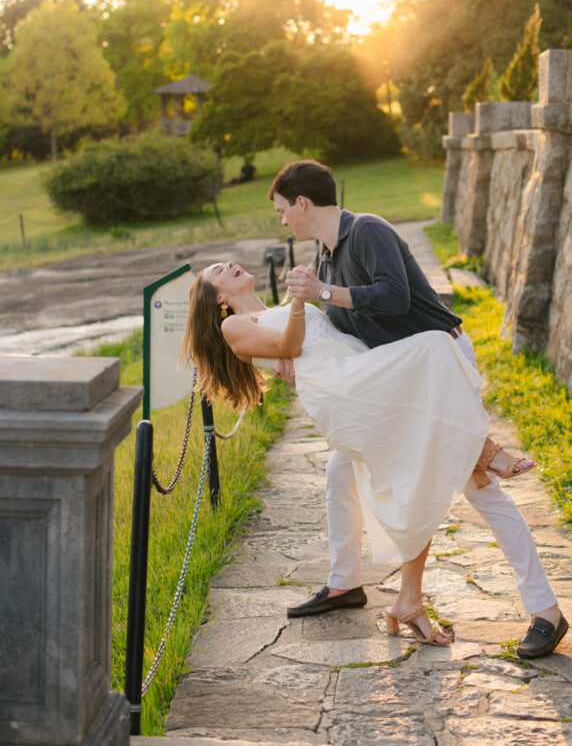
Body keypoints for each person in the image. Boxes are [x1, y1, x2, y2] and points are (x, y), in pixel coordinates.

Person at [268, 158, 568, 660]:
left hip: (441, 364)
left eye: (282, 210)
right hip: (407, 383)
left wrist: (322, 293)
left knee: (481, 493)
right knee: (342, 469)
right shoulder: (324, 258)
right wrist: (291, 354)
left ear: (302, 202)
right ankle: (345, 583)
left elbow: (394, 296)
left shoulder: (366, 232)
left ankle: (547, 613)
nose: (282, 222)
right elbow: (345, 335)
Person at [182, 259, 523, 646]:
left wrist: (316, 289)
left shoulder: (274, 312)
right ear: (220, 299)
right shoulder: (233, 325)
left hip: (359, 370)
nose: (229, 264)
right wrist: (299, 302)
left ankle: (389, 595)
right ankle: (479, 449)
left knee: (394, 477)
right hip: (344, 390)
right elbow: (290, 346)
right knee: (433, 346)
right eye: (218, 271)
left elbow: (320, 336)